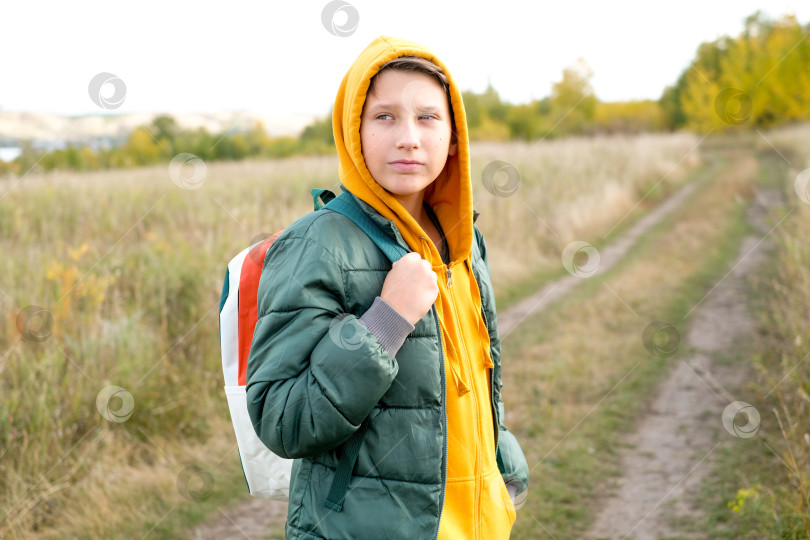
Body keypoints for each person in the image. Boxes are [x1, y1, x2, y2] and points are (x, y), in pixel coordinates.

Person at [246, 35, 529, 539]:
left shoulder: (463, 242)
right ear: (353, 131)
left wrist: (504, 467)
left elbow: (479, 379)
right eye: (384, 117)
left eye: (427, 117)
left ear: (454, 134)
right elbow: (282, 417)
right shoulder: (319, 244)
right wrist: (386, 321)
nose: (409, 137)